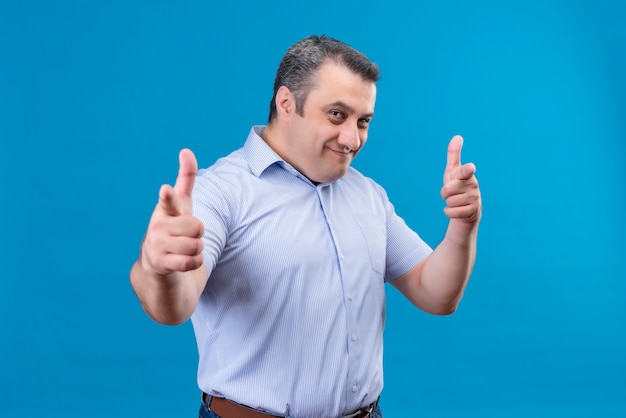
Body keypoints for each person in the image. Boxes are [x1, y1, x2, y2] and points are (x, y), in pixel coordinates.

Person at [130, 35, 481, 418]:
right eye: (336, 115)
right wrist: (156, 269)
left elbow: (436, 294)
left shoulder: (368, 195)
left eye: (363, 121)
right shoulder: (220, 192)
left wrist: (463, 226)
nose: (352, 139)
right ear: (286, 103)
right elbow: (173, 307)